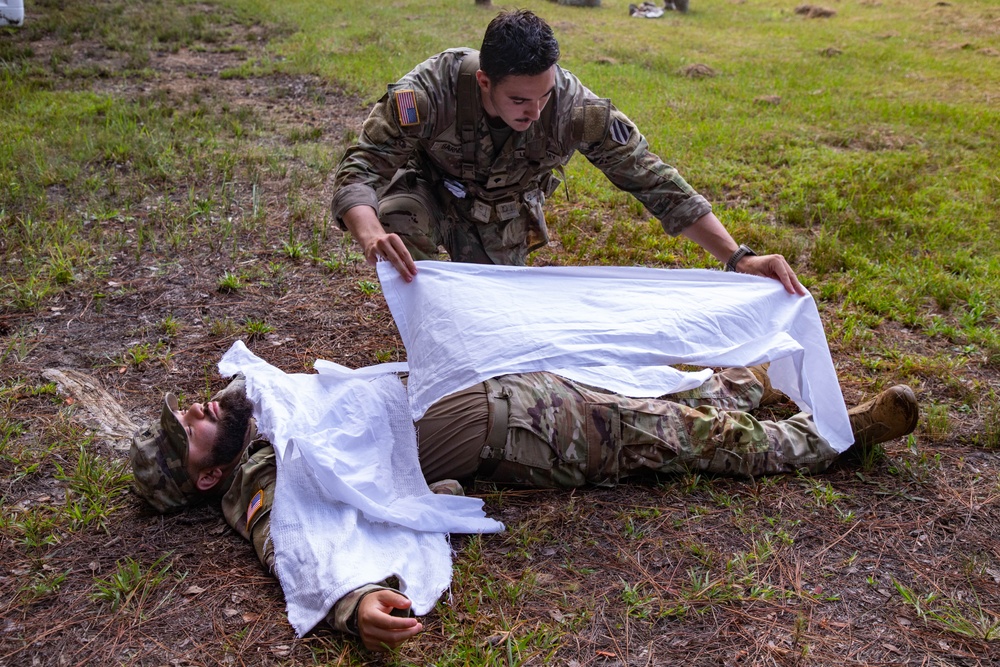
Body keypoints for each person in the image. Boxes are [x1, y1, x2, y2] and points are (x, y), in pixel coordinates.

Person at [130, 365, 918, 651]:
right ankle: (839, 439)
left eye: (188, 411)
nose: (198, 409)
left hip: (493, 376)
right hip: (525, 430)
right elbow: (293, 544)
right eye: (190, 431)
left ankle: (764, 400)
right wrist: (353, 600)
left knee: (656, 377)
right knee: (669, 431)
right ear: (207, 479)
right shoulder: (252, 482)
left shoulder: (259, 406)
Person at [331, 10, 805, 295]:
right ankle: (424, 327)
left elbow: (653, 180)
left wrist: (738, 257)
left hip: (502, 213)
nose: (536, 111)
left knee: (497, 321)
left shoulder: (575, 109)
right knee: (396, 222)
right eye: (519, 100)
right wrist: (371, 234)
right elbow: (361, 168)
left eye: (544, 95)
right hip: (430, 194)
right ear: (484, 82)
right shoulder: (431, 91)